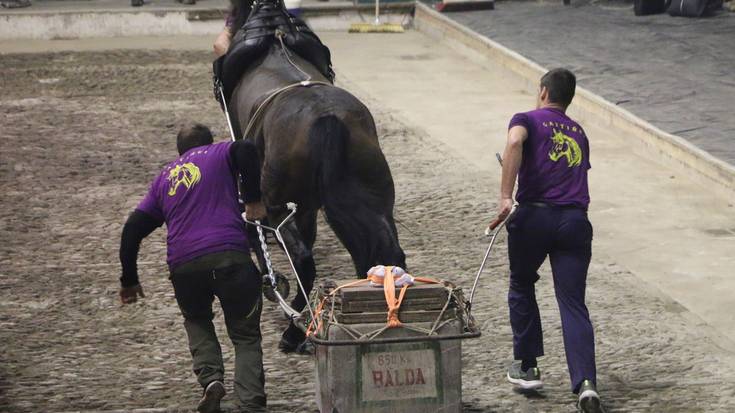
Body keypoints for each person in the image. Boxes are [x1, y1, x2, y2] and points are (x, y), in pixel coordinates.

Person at [118, 123, 267, 413]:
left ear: (179, 151)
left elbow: (132, 229)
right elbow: (248, 149)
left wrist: (129, 280)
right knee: (245, 335)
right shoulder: (221, 152)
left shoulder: (164, 178)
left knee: (197, 320)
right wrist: (253, 200)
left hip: (185, 268)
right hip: (230, 259)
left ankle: (211, 379)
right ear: (208, 143)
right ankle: (250, 403)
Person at [492, 68, 603, 413]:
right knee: (573, 302)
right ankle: (585, 384)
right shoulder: (579, 133)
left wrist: (505, 195)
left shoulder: (527, 117)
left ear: (542, 92)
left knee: (522, 284)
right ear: (568, 99)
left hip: (535, 218)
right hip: (574, 221)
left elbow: (514, 141)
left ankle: (527, 366)